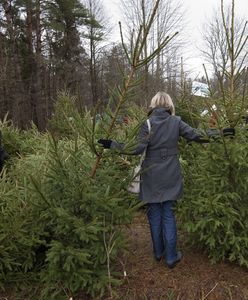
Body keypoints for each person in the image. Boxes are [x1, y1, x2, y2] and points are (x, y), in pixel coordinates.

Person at [98, 91, 208, 269]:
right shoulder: (176, 122)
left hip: (151, 175)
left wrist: (112, 144)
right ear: (169, 105)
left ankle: (158, 253)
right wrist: (221, 134)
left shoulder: (147, 124)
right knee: (168, 215)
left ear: (153, 104)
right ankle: (171, 257)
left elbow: (135, 149)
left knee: (155, 214)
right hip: (171, 174)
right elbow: (197, 135)